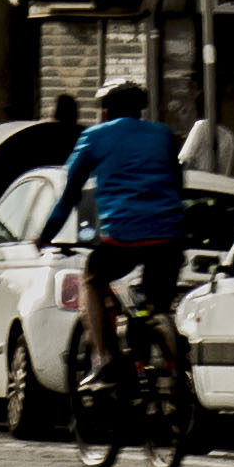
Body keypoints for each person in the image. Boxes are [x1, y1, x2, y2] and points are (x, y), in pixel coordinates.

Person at [55, 79, 186, 387]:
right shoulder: (163, 135)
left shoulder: (95, 137)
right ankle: (169, 362)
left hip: (122, 239)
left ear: (106, 110)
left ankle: (104, 359)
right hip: (169, 238)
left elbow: (69, 190)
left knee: (92, 276)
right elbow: (178, 184)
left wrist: (48, 232)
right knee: (154, 302)